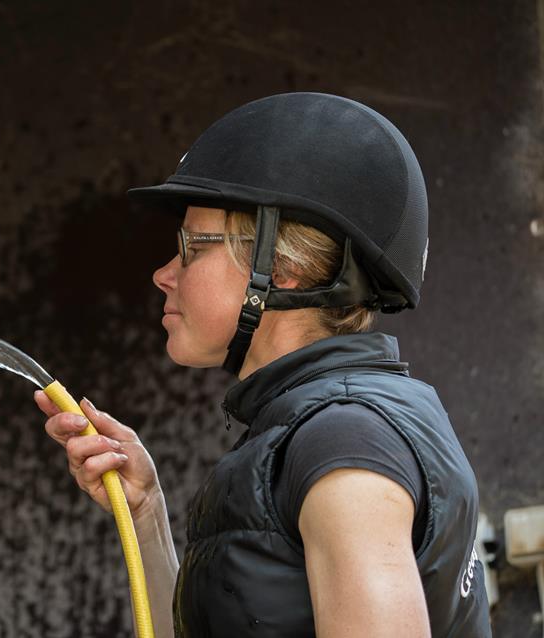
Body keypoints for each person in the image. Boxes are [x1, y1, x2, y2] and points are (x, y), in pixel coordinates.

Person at [34, 93, 491, 638]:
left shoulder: (345, 441)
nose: (164, 273)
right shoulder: (322, 426)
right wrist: (147, 513)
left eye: (192, 247)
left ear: (279, 268)